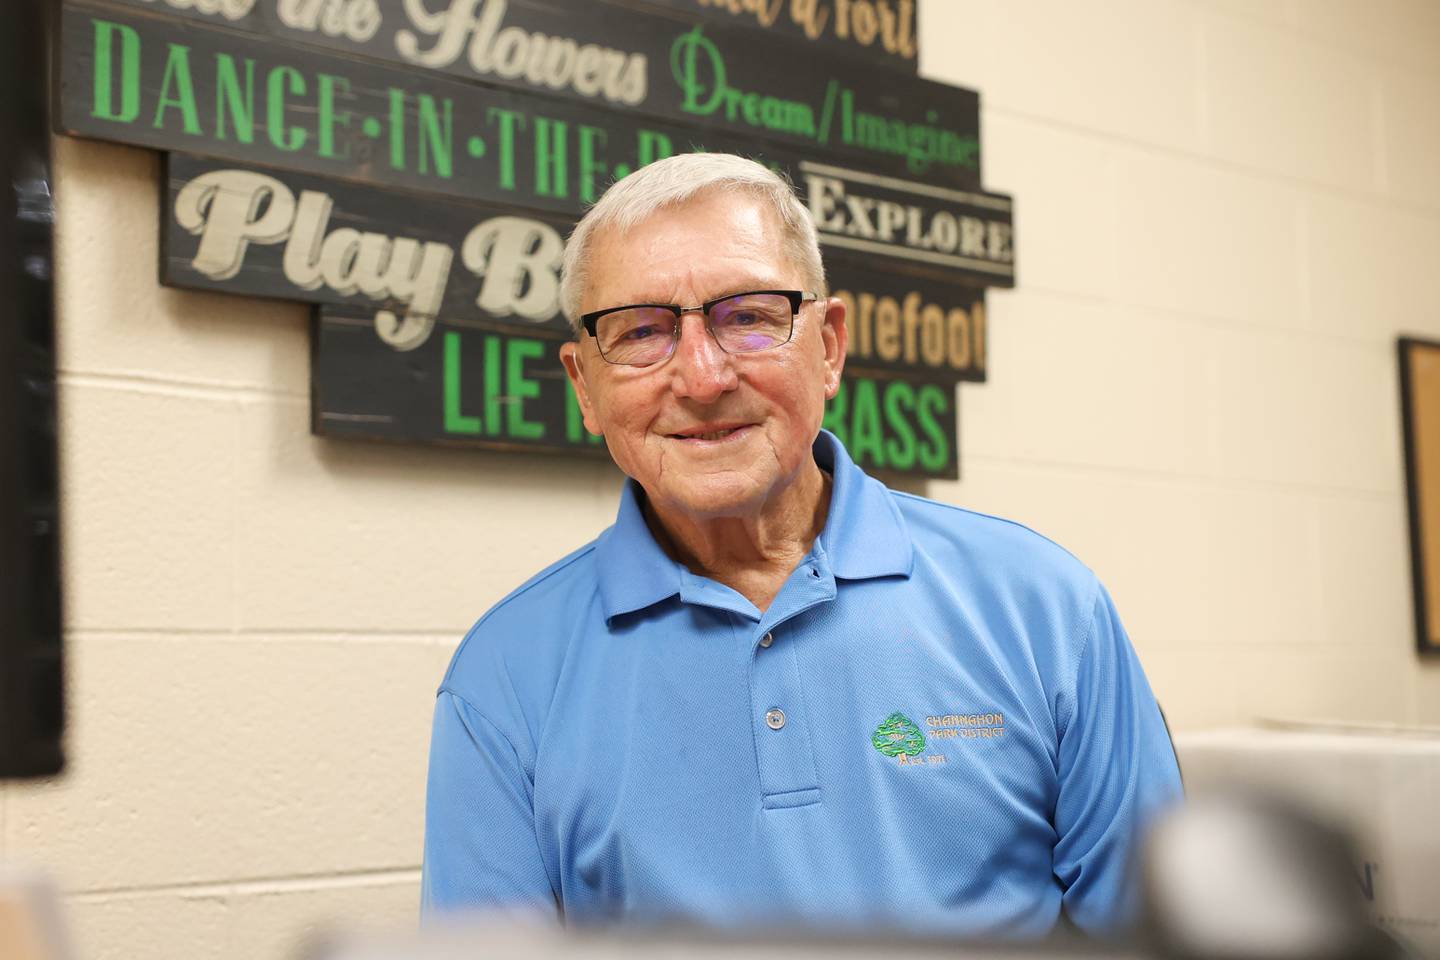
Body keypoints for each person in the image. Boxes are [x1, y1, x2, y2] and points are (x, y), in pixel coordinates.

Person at [421, 153, 1182, 938]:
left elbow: (1160, 939)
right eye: (642, 331)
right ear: (585, 386)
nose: (703, 375)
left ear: (830, 347)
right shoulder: (503, 681)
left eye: (748, 315)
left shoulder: (1047, 609)